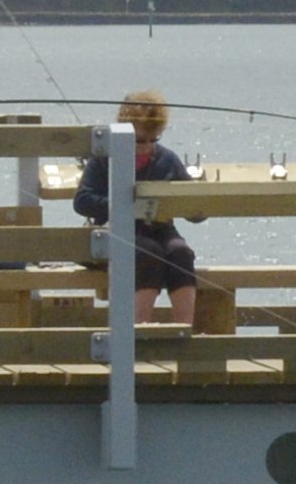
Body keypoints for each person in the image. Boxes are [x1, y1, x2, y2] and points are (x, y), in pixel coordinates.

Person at [68, 90, 201, 325]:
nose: (147, 146)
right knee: (149, 253)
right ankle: (138, 328)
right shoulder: (104, 158)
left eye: (154, 140)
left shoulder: (167, 159)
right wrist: (122, 206)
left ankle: (185, 329)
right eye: (140, 140)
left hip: (161, 229)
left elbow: (193, 206)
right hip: (121, 231)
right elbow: (82, 200)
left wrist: (196, 208)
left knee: (180, 253)